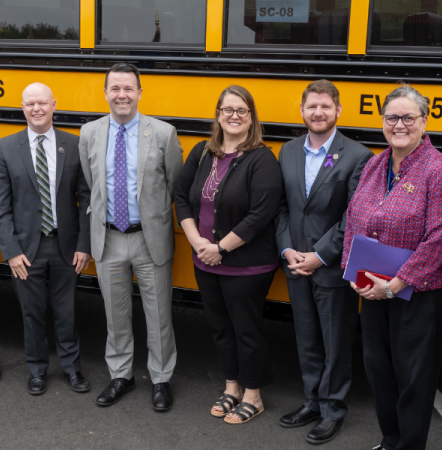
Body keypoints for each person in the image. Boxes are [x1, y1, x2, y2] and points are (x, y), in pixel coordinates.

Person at [341, 84, 442, 450]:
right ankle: (390, 439)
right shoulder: (376, 164)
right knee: (380, 370)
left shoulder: (439, 171)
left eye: (408, 117)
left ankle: (409, 445)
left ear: (424, 122)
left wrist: (394, 285)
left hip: (419, 294)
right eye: (392, 117)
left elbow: (439, 240)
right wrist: (352, 271)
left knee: (414, 378)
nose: (399, 124)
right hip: (372, 287)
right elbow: (353, 219)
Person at [78, 63, 183, 411]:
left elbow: (174, 186)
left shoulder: (164, 133)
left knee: (158, 316)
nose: (121, 95)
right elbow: (93, 186)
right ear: (105, 92)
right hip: (108, 240)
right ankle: (120, 375)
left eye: (128, 89)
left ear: (140, 92)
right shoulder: (89, 133)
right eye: (115, 89)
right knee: (115, 314)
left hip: (149, 240)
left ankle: (161, 379)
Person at [175, 85, 282, 424]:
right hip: (205, 261)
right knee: (221, 328)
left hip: (246, 265)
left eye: (242, 111)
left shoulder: (261, 159)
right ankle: (232, 387)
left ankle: (254, 394)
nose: (234, 116)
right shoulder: (202, 153)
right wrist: (198, 244)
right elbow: (181, 197)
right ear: (218, 115)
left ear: (251, 118)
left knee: (245, 329)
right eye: (228, 110)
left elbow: (260, 215)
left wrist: (220, 248)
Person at [275, 80, 373, 443]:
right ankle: (312, 402)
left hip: (331, 267)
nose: (318, 113)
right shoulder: (287, 152)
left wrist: (318, 256)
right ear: (302, 111)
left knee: (336, 342)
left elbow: (354, 216)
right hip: (295, 264)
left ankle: (333, 409)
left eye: (325, 107)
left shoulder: (358, 156)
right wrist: (287, 250)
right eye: (312, 106)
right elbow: (281, 207)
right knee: (307, 340)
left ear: (338, 111)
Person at [0, 83, 91, 396]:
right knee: (31, 312)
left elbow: (87, 199)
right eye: (30, 104)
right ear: (22, 108)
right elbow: (1, 206)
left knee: (67, 311)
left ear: (54, 105)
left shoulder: (74, 145)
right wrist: (10, 252)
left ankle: (72, 369)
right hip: (25, 249)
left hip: (65, 246)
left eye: (42, 103)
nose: (36, 109)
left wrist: (84, 245)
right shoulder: (6, 147)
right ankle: (36, 370)